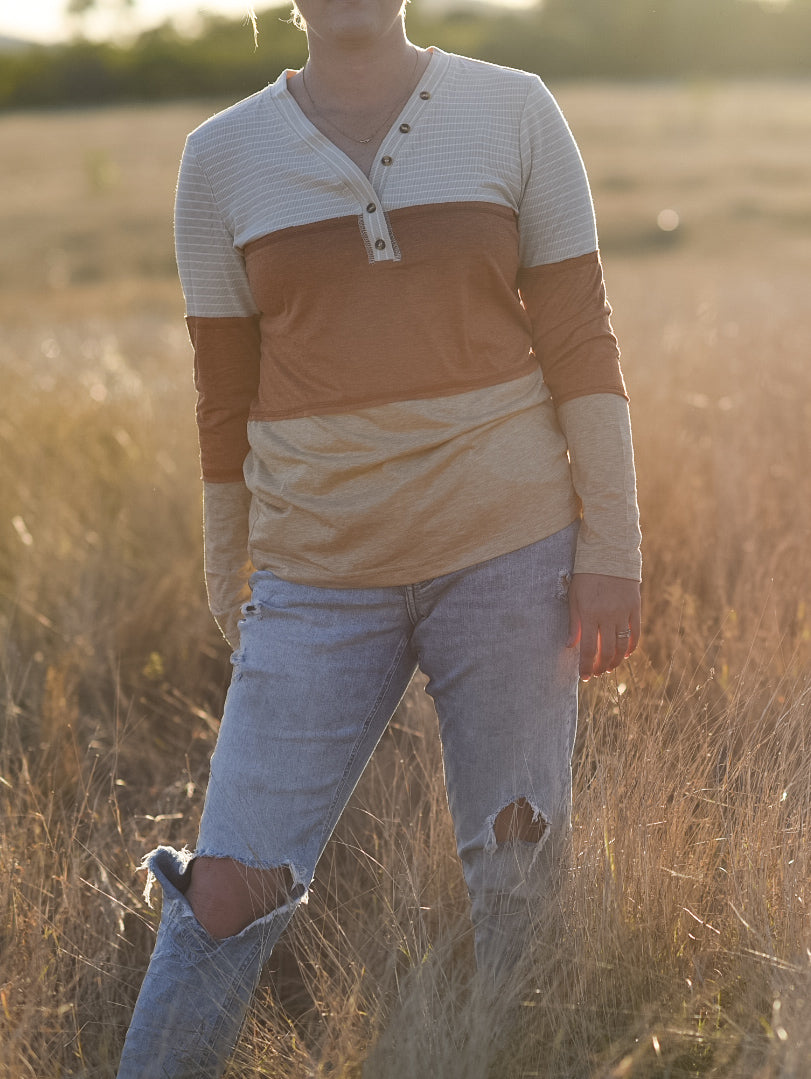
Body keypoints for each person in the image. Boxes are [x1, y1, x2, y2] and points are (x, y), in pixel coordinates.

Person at [116, 1, 642, 1075]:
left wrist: (612, 546)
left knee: (518, 880)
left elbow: (581, 341)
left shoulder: (515, 110)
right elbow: (223, 392)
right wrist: (230, 573)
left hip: (511, 551)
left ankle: (517, 1056)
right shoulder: (220, 156)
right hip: (316, 574)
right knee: (226, 887)